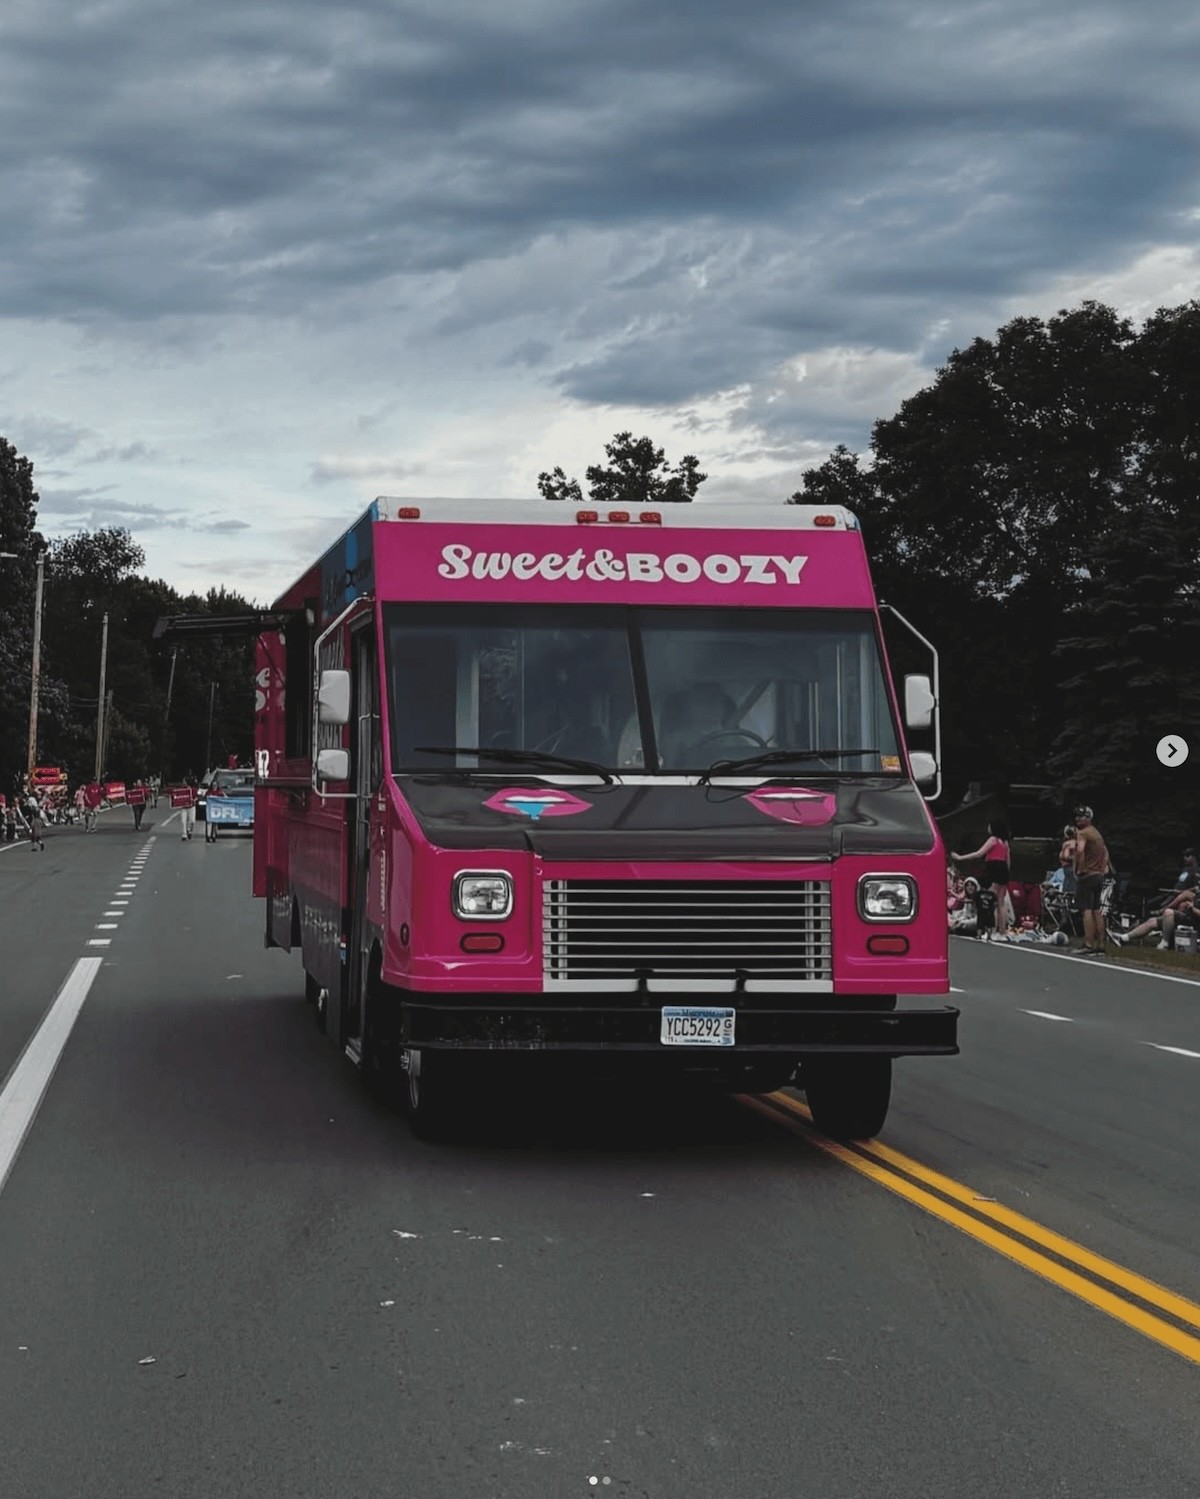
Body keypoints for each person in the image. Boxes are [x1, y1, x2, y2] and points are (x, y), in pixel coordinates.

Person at [952, 820, 1012, 939]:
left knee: (990, 901)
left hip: (993, 868)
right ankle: (1002, 932)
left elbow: (979, 853)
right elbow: (1008, 860)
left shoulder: (993, 840)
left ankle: (992, 930)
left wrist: (960, 858)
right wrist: (1006, 873)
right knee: (1000, 902)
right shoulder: (1005, 842)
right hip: (1003, 869)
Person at [1072, 805, 1110, 954]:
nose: (1078, 819)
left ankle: (1088, 943)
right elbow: (1105, 853)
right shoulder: (1096, 833)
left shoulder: (1083, 833)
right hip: (1098, 875)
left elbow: (1080, 850)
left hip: (1088, 875)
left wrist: (1079, 869)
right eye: (1076, 816)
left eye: (1081, 816)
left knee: (1086, 909)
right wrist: (1102, 868)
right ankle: (1100, 944)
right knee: (1096, 910)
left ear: (1088, 818)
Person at [179, 771, 198, 841]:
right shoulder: (181, 790)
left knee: (192, 821)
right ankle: (184, 834)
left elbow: (196, 797)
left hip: (191, 807)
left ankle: (189, 830)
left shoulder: (193, 790)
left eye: (184, 781)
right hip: (184, 807)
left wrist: (193, 800)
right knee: (183, 821)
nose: (183, 783)